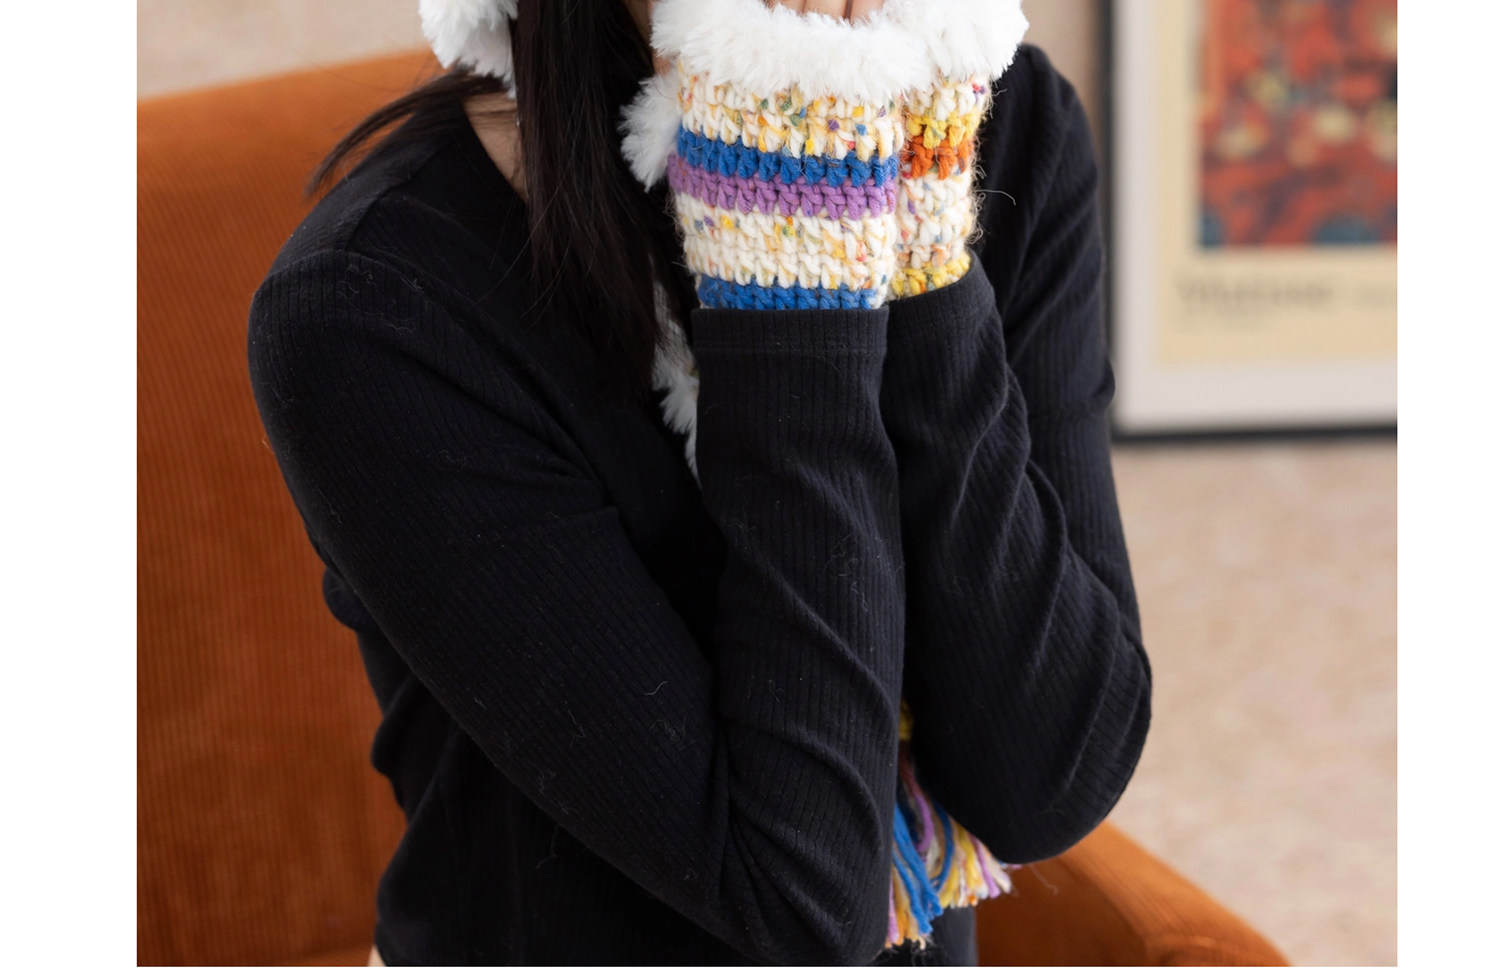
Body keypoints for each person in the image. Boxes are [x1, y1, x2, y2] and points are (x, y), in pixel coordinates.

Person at [246, 0, 1153, 966]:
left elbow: (1049, 779)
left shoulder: (985, 128)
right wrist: (794, 260)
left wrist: (921, 261)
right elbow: (800, 908)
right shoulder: (373, 308)